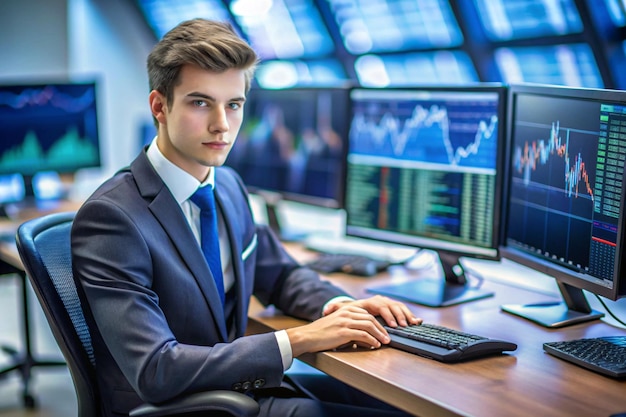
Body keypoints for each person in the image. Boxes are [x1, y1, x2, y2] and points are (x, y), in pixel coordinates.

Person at [71, 18, 421, 417]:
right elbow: (156, 369)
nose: (222, 124)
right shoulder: (112, 218)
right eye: (201, 102)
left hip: (237, 389)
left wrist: (341, 306)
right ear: (159, 106)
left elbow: (282, 275)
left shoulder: (228, 186)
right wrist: (298, 341)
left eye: (233, 104)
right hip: (177, 407)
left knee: (401, 407)